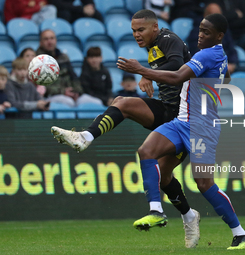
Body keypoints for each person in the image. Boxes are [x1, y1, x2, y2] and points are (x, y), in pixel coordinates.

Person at [51, 10, 200, 249]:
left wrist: (143, 72)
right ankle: (85, 136)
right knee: (122, 102)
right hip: (168, 110)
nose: (136, 35)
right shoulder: (153, 46)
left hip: (186, 118)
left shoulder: (168, 39)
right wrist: (148, 77)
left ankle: (189, 216)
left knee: (164, 175)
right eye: (133, 30)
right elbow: (164, 67)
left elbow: (176, 66)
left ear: (155, 27)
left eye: (140, 30)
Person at [117, 13, 245, 250]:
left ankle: (240, 234)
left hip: (202, 129)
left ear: (219, 36)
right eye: (200, 29)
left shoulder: (207, 54)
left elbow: (178, 76)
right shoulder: (219, 55)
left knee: (204, 184)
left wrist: (141, 70)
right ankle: (156, 211)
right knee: (146, 151)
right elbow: (227, 77)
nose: (200, 35)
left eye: (207, 32)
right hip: (181, 122)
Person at [37, 29, 102, 107]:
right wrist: (63, 91)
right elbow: (42, 86)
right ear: (41, 42)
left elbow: (74, 77)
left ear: (56, 40)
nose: (50, 42)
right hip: (51, 95)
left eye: (52, 38)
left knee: (97, 102)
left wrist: (76, 92)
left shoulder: (63, 57)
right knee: (69, 102)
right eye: (46, 39)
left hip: (70, 94)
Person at [188, 2, 239, 73]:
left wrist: (232, 63)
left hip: (227, 66)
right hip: (209, 68)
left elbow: (232, 49)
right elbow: (197, 53)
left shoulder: (224, 31)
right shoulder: (197, 32)